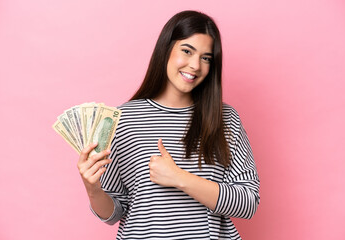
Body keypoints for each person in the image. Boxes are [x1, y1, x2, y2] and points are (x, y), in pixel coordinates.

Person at [77, 10, 260, 239]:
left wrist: (179, 178)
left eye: (206, 58)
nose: (195, 65)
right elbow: (115, 213)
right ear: (166, 49)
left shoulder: (225, 118)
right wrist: (93, 189)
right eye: (187, 51)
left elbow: (248, 202)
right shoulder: (122, 119)